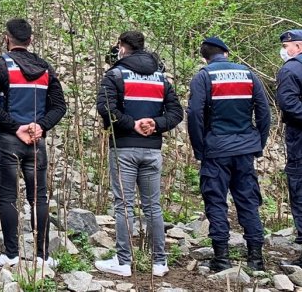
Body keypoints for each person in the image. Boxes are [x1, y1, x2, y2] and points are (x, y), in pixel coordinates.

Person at [94, 31, 183, 278]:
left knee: (124, 205)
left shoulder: (115, 75)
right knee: (153, 206)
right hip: (152, 149)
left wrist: (131, 124)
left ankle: (123, 261)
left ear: (122, 47)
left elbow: (105, 107)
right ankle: (159, 262)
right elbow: (176, 113)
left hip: (123, 147)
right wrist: (155, 124)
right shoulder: (161, 78)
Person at [0, 19, 67, 268]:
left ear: (7, 38)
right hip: (36, 143)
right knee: (39, 198)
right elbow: (59, 106)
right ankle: (42, 257)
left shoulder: (1, 65)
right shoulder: (46, 68)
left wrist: (15, 127)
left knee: (8, 197)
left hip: (9, 140)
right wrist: (41, 126)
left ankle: (11, 255)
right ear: (30, 40)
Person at [187, 37, 270, 272]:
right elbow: (264, 112)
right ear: (226, 53)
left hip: (216, 149)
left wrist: (200, 148)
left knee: (216, 201)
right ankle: (256, 258)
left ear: (205, 57)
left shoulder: (204, 76)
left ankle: (222, 258)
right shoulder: (248, 74)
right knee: (248, 201)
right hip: (245, 149)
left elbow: (194, 114)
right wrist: (258, 143)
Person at [277, 30, 302, 266]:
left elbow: (289, 104)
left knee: (299, 188)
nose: (284, 51)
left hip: (299, 139)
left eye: (287, 46)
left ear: (298, 47)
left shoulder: (291, 69)